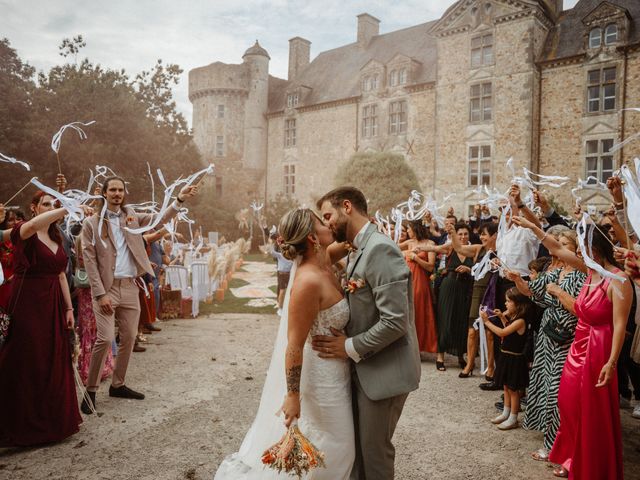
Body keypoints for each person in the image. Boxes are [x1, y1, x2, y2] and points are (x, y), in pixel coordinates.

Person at [214, 208, 354, 479]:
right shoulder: (308, 281)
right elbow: (293, 345)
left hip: (337, 373)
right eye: (322, 222)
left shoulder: (324, 260)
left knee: (337, 449)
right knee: (337, 448)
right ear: (313, 237)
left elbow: (349, 243)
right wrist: (292, 395)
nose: (329, 224)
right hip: (320, 381)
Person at [313, 186, 421, 480]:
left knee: (374, 458)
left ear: (347, 206)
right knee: (358, 453)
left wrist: (347, 347)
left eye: (328, 216)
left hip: (385, 373)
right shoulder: (359, 248)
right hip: (366, 369)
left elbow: (395, 322)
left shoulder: (380, 249)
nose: (327, 224)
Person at [513, 216, 632, 479]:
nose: (578, 254)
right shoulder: (591, 271)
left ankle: (588, 463)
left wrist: (611, 362)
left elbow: (620, 326)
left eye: (582, 249)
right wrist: (533, 228)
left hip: (599, 348)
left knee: (590, 410)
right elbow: (557, 249)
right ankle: (570, 455)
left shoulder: (619, 280)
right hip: (577, 346)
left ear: (595, 249)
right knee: (568, 404)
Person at [80, 176, 198, 414]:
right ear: (104, 193)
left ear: (124, 193)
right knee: (104, 339)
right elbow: (89, 262)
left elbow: (160, 218)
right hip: (106, 288)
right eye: (112, 189)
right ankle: (90, 390)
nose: (116, 193)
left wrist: (180, 199)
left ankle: (118, 384)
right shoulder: (91, 223)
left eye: (120, 190)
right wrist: (100, 294)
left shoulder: (132, 218)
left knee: (130, 336)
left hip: (131, 286)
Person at [0, 191, 91, 446]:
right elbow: (31, 225)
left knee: (53, 357)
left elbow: (61, 274)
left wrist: (68, 308)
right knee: (28, 358)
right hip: (28, 300)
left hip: (53, 302)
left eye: (54, 205)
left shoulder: (56, 235)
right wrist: (67, 208)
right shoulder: (24, 230)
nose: (51, 208)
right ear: (34, 207)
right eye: (47, 205)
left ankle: (53, 422)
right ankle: (20, 424)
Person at [507, 229, 585, 461]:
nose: (556, 248)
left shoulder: (582, 274)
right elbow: (534, 293)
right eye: (556, 243)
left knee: (557, 393)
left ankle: (561, 446)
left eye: (563, 244)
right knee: (543, 386)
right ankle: (551, 444)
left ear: (575, 248)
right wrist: (518, 281)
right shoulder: (557, 270)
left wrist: (559, 293)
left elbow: (580, 309)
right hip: (546, 336)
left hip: (567, 338)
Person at [481, 288, 531, 430]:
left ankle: (513, 417)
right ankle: (506, 412)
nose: (506, 303)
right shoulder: (514, 318)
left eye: (509, 301)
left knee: (513, 389)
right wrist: (503, 318)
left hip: (515, 359)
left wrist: (487, 322)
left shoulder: (521, 321)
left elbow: (503, 332)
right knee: (506, 386)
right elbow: (508, 330)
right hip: (507, 356)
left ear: (518, 304)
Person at [435, 222, 474, 371]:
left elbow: (479, 270)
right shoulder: (451, 247)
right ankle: (440, 356)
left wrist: (469, 270)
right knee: (445, 320)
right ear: (455, 235)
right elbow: (434, 248)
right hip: (449, 286)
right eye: (460, 234)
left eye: (466, 234)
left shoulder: (473, 249)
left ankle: (460, 356)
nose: (463, 237)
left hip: (465, 288)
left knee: (461, 321)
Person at [400, 220, 437, 356]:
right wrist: (406, 253)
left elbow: (430, 267)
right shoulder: (409, 243)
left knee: (419, 313)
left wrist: (416, 257)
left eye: (409, 229)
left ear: (415, 229)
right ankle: (409, 347)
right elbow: (391, 247)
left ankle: (420, 347)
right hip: (406, 281)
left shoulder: (429, 244)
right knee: (408, 313)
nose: (408, 232)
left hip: (420, 282)